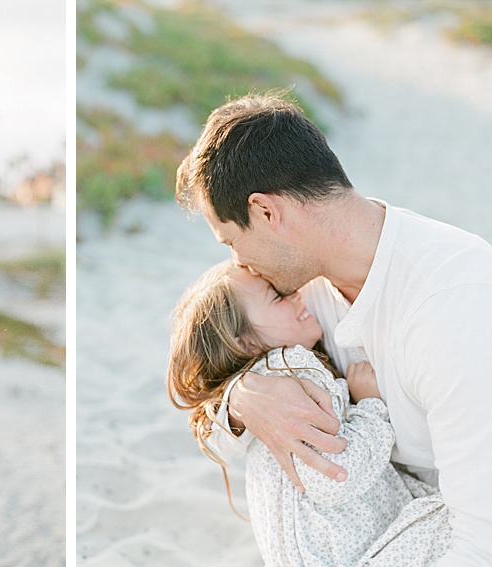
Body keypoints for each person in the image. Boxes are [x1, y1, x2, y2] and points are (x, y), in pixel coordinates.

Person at [177, 93, 492, 565]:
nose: (237, 263)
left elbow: (479, 544)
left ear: (266, 213)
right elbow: (213, 434)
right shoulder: (301, 293)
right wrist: (242, 398)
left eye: (232, 241)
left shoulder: (452, 304)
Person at [168, 260, 450, 566]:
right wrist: (371, 405)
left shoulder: (256, 387)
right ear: (245, 342)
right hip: (356, 556)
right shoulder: (292, 369)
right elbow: (335, 477)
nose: (296, 296)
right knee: (470, 514)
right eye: (277, 297)